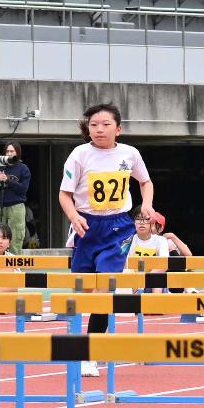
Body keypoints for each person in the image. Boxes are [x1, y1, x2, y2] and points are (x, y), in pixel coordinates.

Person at [59, 102, 153, 377]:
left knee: (104, 291)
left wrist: (146, 203)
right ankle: (79, 340)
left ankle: (91, 353)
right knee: (85, 291)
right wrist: (74, 217)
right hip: (87, 225)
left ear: (118, 129)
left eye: (105, 125)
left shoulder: (130, 154)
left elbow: (145, 182)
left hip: (118, 226)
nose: (98, 130)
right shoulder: (79, 155)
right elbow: (64, 194)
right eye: (93, 125)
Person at [0, 142, 30, 254]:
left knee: (15, 235)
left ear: (17, 153)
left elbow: (23, 189)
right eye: (7, 151)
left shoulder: (23, 168)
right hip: (0, 205)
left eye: (12, 151)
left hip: (16, 206)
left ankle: (13, 266)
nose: (9, 153)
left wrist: (8, 180)